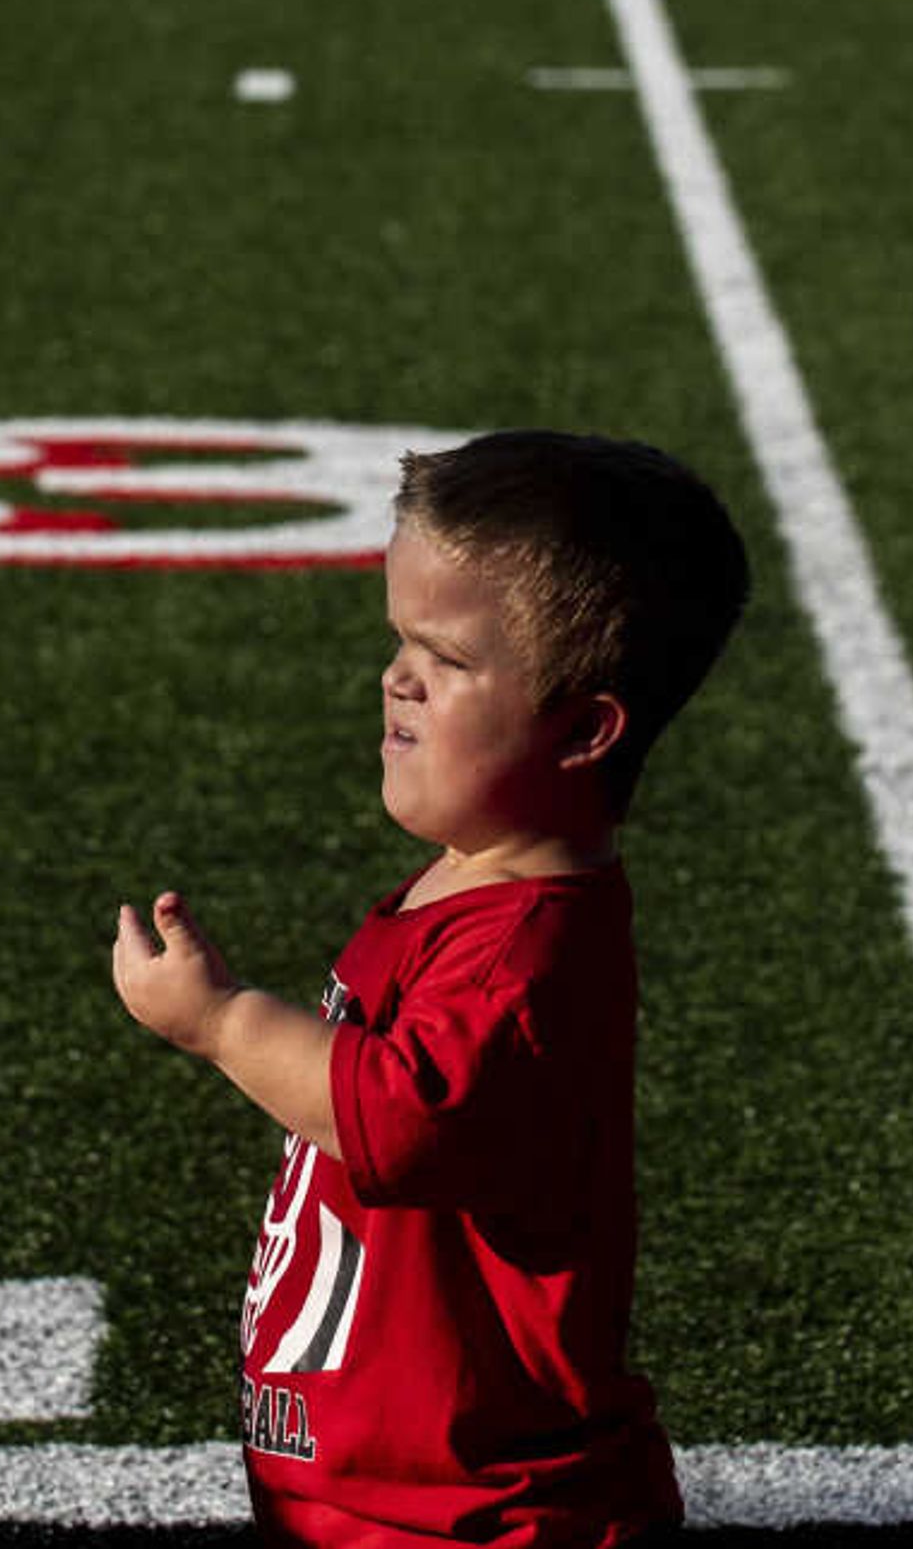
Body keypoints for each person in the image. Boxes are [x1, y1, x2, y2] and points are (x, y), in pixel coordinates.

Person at [109, 430, 747, 1549]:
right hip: (383, 1495)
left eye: (445, 660)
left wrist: (220, 1022)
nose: (396, 676)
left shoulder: (526, 950)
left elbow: (402, 1114)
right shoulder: (467, 880)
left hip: (478, 1517)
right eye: (398, 639)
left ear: (584, 729)